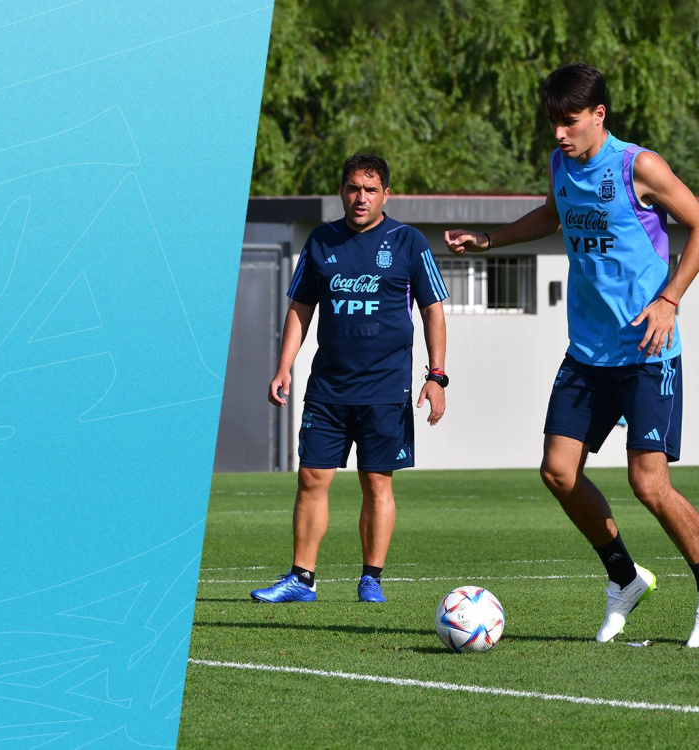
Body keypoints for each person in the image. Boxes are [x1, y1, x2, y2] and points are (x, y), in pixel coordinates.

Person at [445, 62, 699, 646]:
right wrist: (489, 240)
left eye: (570, 121)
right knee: (558, 472)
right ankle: (625, 578)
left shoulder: (639, 166)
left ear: (598, 115)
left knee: (649, 483)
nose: (559, 134)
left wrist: (669, 299)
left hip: (647, 351)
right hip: (587, 352)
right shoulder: (561, 164)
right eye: (553, 123)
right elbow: (552, 215)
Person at [251, 152, 449, 604]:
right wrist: (283, 366)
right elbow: (300, 309)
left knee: (377, 482)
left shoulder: (408, 242)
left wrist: (436, 376)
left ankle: (371, 579)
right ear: (342, 191)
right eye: (354, 188)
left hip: (386, 389)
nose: (361, 198)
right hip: (329, 389)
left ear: (386, 194)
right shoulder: (321, 240)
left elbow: (433, 310)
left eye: (371, 190)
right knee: (310, 479)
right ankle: (302, 579)